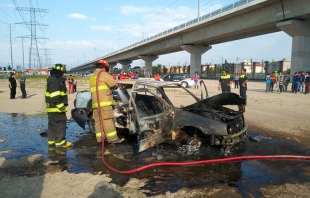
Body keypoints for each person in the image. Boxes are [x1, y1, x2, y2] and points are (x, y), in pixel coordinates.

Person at [89, 59, 124, 143]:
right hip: (104, 104)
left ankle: (100, 139)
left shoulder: (93, 76)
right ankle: (113, 139)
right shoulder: (103, 74)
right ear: (104, 68)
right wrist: (115, 86)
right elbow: (112, 84)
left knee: (98, 122)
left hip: (95, 105)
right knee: (107, 121)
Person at [45, 63, 72, 148]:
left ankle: (52, 142)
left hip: (52, 109)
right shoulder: (54, 81)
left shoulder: (53, 79)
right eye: (63, 73)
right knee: (60, 125)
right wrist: (61, 107)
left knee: (53, 126)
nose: (64, 74)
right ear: (59, 72)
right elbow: (55, 96)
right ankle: (61, 143)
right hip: (57, 109)